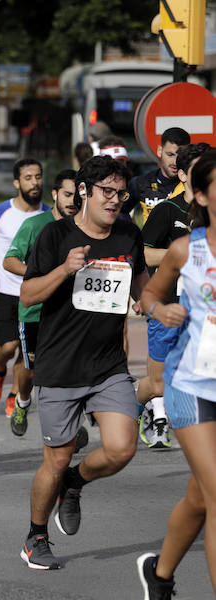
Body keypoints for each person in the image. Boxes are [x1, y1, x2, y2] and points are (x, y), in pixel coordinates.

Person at [18, 155, 148, 570]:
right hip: (60, 364)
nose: (114, 200)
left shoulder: (129, 234)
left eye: (120, 193)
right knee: (54, 461)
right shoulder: (54, 235)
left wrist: (149, 301)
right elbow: (28, 295)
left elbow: (143, 285)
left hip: (108, 364)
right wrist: (65, 269)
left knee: (123, 447)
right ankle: (35, 535)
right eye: (106, 192)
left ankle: (76, 482)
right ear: (86, 193)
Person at [136, 148, 216, 599]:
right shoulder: (187, 251)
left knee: (201, 498)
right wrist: (160, 307)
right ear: (202, 195)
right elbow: (149, 295)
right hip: (192, 386)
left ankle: (160, 574)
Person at [136, 142, 209, 450]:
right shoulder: (168, 210)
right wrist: (183, 255)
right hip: (169, 307)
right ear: (181, 175)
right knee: (157, 383)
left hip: (205, 313)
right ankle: (129, 407)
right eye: (199, 171)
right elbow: (142, 254)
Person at [0, 158, 48, 415]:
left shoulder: (48, 216)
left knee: (27, 350)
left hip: (34, 292)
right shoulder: (0, 212)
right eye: (28, 178)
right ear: (17, 183)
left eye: (38, 177)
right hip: (3, 289)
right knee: (8, 347)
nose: (34, 183)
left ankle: (15, 393)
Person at [3, 169, 79, 437]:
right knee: (32, 370)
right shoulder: (35, 225)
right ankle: (23, 401)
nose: (72, 201)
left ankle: (71, 424)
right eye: (67, 195)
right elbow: (9, 261)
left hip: (70, 312)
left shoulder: (83, 226)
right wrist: (42, 276)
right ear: (56, 194)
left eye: (78, 195)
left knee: (68, 369)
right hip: (35, 313)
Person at [123, 127, 190, 225]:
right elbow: (120, 211)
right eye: (170, 154)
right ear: (160, 151)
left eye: (180, 156)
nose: (175, 162)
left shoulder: (193, 185)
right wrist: (132, 235)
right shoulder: (140, 183)